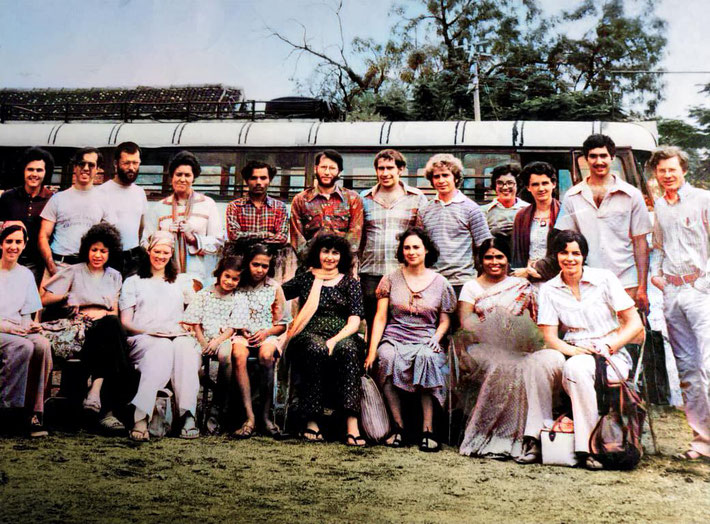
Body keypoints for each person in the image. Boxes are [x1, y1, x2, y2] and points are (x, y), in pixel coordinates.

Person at [537, 230, 643, 469]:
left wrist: (610, 346)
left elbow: (634, 323)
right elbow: (549, 337)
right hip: (576, 351)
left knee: (576, 369)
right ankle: (558, 441)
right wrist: (573, 350)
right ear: (556, 256)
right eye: (563, 253)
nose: (570, 258)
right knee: (561, 365)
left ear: (584, 256)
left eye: (576, 253)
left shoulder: (604, 279)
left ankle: (589, 446)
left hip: (611, 353)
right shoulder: (549, 289)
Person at [457, 238, 564, 462]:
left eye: (499, 257)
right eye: (489, 257)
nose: (494, 262)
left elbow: (535, 322)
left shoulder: (521, 286)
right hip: (481, 346)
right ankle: (489, 435)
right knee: (503, 365)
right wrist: (493, 328)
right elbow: (466, 323)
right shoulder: (471, 287)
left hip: (517, 347)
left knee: (520, 365)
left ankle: (514, 439)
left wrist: (517, 335)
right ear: (480, 259)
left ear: (507, 260)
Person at [365, 227, 456, 452]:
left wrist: (436, 338)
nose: (411, 252)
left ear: (426, 250)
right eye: (407, 247)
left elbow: (444, 320)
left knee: (428, 358)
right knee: (385, 358)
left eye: (416, 247)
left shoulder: (440, 282)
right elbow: (380, 317)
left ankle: (428, 430)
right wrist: (372, 349)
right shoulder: (390, 279)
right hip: (395, 337)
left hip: (425, 337)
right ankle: (399, 428)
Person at [40, 222, 136, 432]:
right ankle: (111, 406)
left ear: (110, 253)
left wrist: (105, 317)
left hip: (105, 329)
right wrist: (67, 297)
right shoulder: (74, 271)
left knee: (111, 325)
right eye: (94, 250)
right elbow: (43, 298)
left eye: (103, 251)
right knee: (113, 337)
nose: (98, 255)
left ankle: (95, 392)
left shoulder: (115, 275)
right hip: (80, 329)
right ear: (87, 250)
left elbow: (113, 312)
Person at [649, 146, 710, 461]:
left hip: (702, 292)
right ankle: (702, 441)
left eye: (672, 169)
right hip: (672, 295)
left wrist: (704, 283)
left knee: (708, 366)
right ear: (656, 174)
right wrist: (658, 277)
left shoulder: (703, 200)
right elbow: (658, 245)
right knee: (687, 369)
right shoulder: (659, 205)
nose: (667, 175)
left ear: (683, 169)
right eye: (661, 171)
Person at [281, 234, 366, 446]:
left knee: (348, 350)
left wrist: (334, 340)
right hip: (309, 334)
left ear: (342, 256)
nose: (330, 257)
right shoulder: (306, 278)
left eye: (335, 253)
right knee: (315, 348)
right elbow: (275, 294)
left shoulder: (350, 283)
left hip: (343, 333)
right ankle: (312, 420)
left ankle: (351, 424)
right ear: (317, 254)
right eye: (325, 251)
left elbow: (355, 322)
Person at [554, 134, 652, 311]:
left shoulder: (632, 194)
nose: (598, 161)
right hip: (587, 281)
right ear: (585, 159)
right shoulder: (572, 196)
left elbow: (641, 244)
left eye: (603, 156)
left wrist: (642, 287)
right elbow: (567, 243)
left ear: (612, 157)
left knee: (629, 335)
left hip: (626, 281)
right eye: (593, 156)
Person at [119, 231, 199, 441]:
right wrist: (149, 331)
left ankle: (187, 415)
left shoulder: (182, 281)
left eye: (166, 252)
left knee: (186, 350)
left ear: (171, 253)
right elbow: (126, 322)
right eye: (157, 251)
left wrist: (187, 329)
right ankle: (141, 417)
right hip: (144, 337)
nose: (161, 256)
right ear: (149, 251)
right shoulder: (133, 281)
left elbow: (194, 316)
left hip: (176, 335)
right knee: (161, 348)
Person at [359, 149, 428, 334]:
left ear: (401, 169)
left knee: (402, 324)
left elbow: (422, 236)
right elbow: (359, 237)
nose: (385, 173)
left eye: (390, 168)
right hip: (370, 273)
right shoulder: (363, 199)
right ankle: (372, 362)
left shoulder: (417, 198)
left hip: (403, 273)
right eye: (380, 168)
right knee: (373, 325)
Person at [230, 244, 289, 438]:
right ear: (248, 263)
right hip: (241, 333)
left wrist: (265, 333)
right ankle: (249, 417)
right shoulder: (237, 284)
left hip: (267, 333)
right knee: (238, 354)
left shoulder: (274, 287)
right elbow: (225, 312)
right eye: (256, 264)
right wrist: (240, 328)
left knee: (266, 355)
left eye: (264, 266)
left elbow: (282, 324)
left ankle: (265, 416)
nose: (260, 270)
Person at [0, 222, 52, 437]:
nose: (13, 246)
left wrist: (30, 326)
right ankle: (7, 411)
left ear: (25, 244)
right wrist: (10, 329)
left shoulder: (26, 275)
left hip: (14, 329)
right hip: (3, 329)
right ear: (1, 244)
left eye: (18, 242)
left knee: (41, 344)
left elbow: (25, 314)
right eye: (9, 241)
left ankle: (34, 413)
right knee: (22, 346)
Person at [143, 151, 223, 286]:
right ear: (172, 177)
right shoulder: (160, 207)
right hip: (164, 274)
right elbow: (145, 242)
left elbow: (218, 242)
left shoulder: (207, 204)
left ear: (194, 178)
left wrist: (193, 238)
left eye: (187, 175)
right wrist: (165, 235)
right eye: (178, 174)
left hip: (198, 275)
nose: (182, 179)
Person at [182, 256, 241, 434]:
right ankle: (188, 410)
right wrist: (203, 342)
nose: (230, 282)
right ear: (219, 274)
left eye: (235, 279)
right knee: (190, 359)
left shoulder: (238, 298)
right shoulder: (204, 294)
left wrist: (217, 341)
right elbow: (195, 322)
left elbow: (233, 327)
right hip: (202, 337)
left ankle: (217, 407)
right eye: (227, 276)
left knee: (225, 356)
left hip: (222, 338)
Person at [419, 154, 492, 297]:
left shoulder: (472, 209)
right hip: (432, 281)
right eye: (436, 176)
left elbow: (485, 247)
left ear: (456, 177)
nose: (441, 180)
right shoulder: (424, 210)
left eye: (446, 175)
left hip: (462, 282)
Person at [38, 147, 113, 277]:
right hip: (59, 265)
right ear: (75, 167)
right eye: (81, 164)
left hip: (88, 269)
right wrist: (52, 268)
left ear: (97, 169)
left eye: (91, 165)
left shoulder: (105, 200)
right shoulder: (57, 199)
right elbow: (43, 236)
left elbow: (108, 240)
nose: (85, 168)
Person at [289, 149, 364, 261]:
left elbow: (354, 236)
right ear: (316, 168)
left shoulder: (352, 199)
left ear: (339, 172)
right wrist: (313, 261)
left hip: (343, 266)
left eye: (332, 168)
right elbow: (297, 238)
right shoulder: (300, 200)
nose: (327, 172)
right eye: (323, 167)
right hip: (311, 266)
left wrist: (338, 260)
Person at [225, 160, 293, 282]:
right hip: (241, 266)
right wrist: (266, 234)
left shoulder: (279, 207)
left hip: (270, 267)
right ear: (247, 180)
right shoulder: (234, 206)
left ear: (269, 180)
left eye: (263, 178)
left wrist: (247, 237)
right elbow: (234, 236)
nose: (258, 182)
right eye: (254, 178)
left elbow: (282, 238)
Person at [0, 147, 55, 283]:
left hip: (36, 265)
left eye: (39, 170)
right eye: (30, 169)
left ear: (46, 172)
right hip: (8, 261)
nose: (34, 174)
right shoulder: (8, 197)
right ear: (23, 171)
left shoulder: (52, 200)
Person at [96, 142, 148, 277]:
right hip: (109, 259)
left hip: (134, 259)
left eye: (135, 163)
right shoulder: (101, 192)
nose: (131, 168)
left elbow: (142, 228)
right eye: (126, 163)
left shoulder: (140, 192)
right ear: (116, 164)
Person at [511, 161, 562, 281]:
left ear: (553, 184)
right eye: (535, 184)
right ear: (528, 187)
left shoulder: (564, 213)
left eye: (545, 183)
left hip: (556, 279)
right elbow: (516, 254)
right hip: (526, 279)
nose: (541, 188)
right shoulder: (521, 216)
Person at [482, 163, 529, 252]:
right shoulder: (483, 211)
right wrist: (491, 233)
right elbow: (478, 241)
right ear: (494, 186)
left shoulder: (528, 210)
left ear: (517, 185)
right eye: (500, 183)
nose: (505, 187)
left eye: (510, 183)